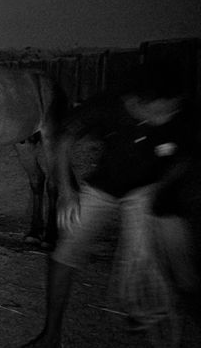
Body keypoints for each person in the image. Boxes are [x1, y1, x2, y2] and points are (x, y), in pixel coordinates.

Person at [23, 62, 199, 347]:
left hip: (158, 194)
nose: (170, 115)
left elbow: (185, 158)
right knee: (63, 255)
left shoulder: (182, 112)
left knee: (185, 275)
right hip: (106, 187)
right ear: (139, 104)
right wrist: (68, 190)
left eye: (173, 108)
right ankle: (51, 335)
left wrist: (158, 188)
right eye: (163, 110)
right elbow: (65, 139)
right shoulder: (109, 104)